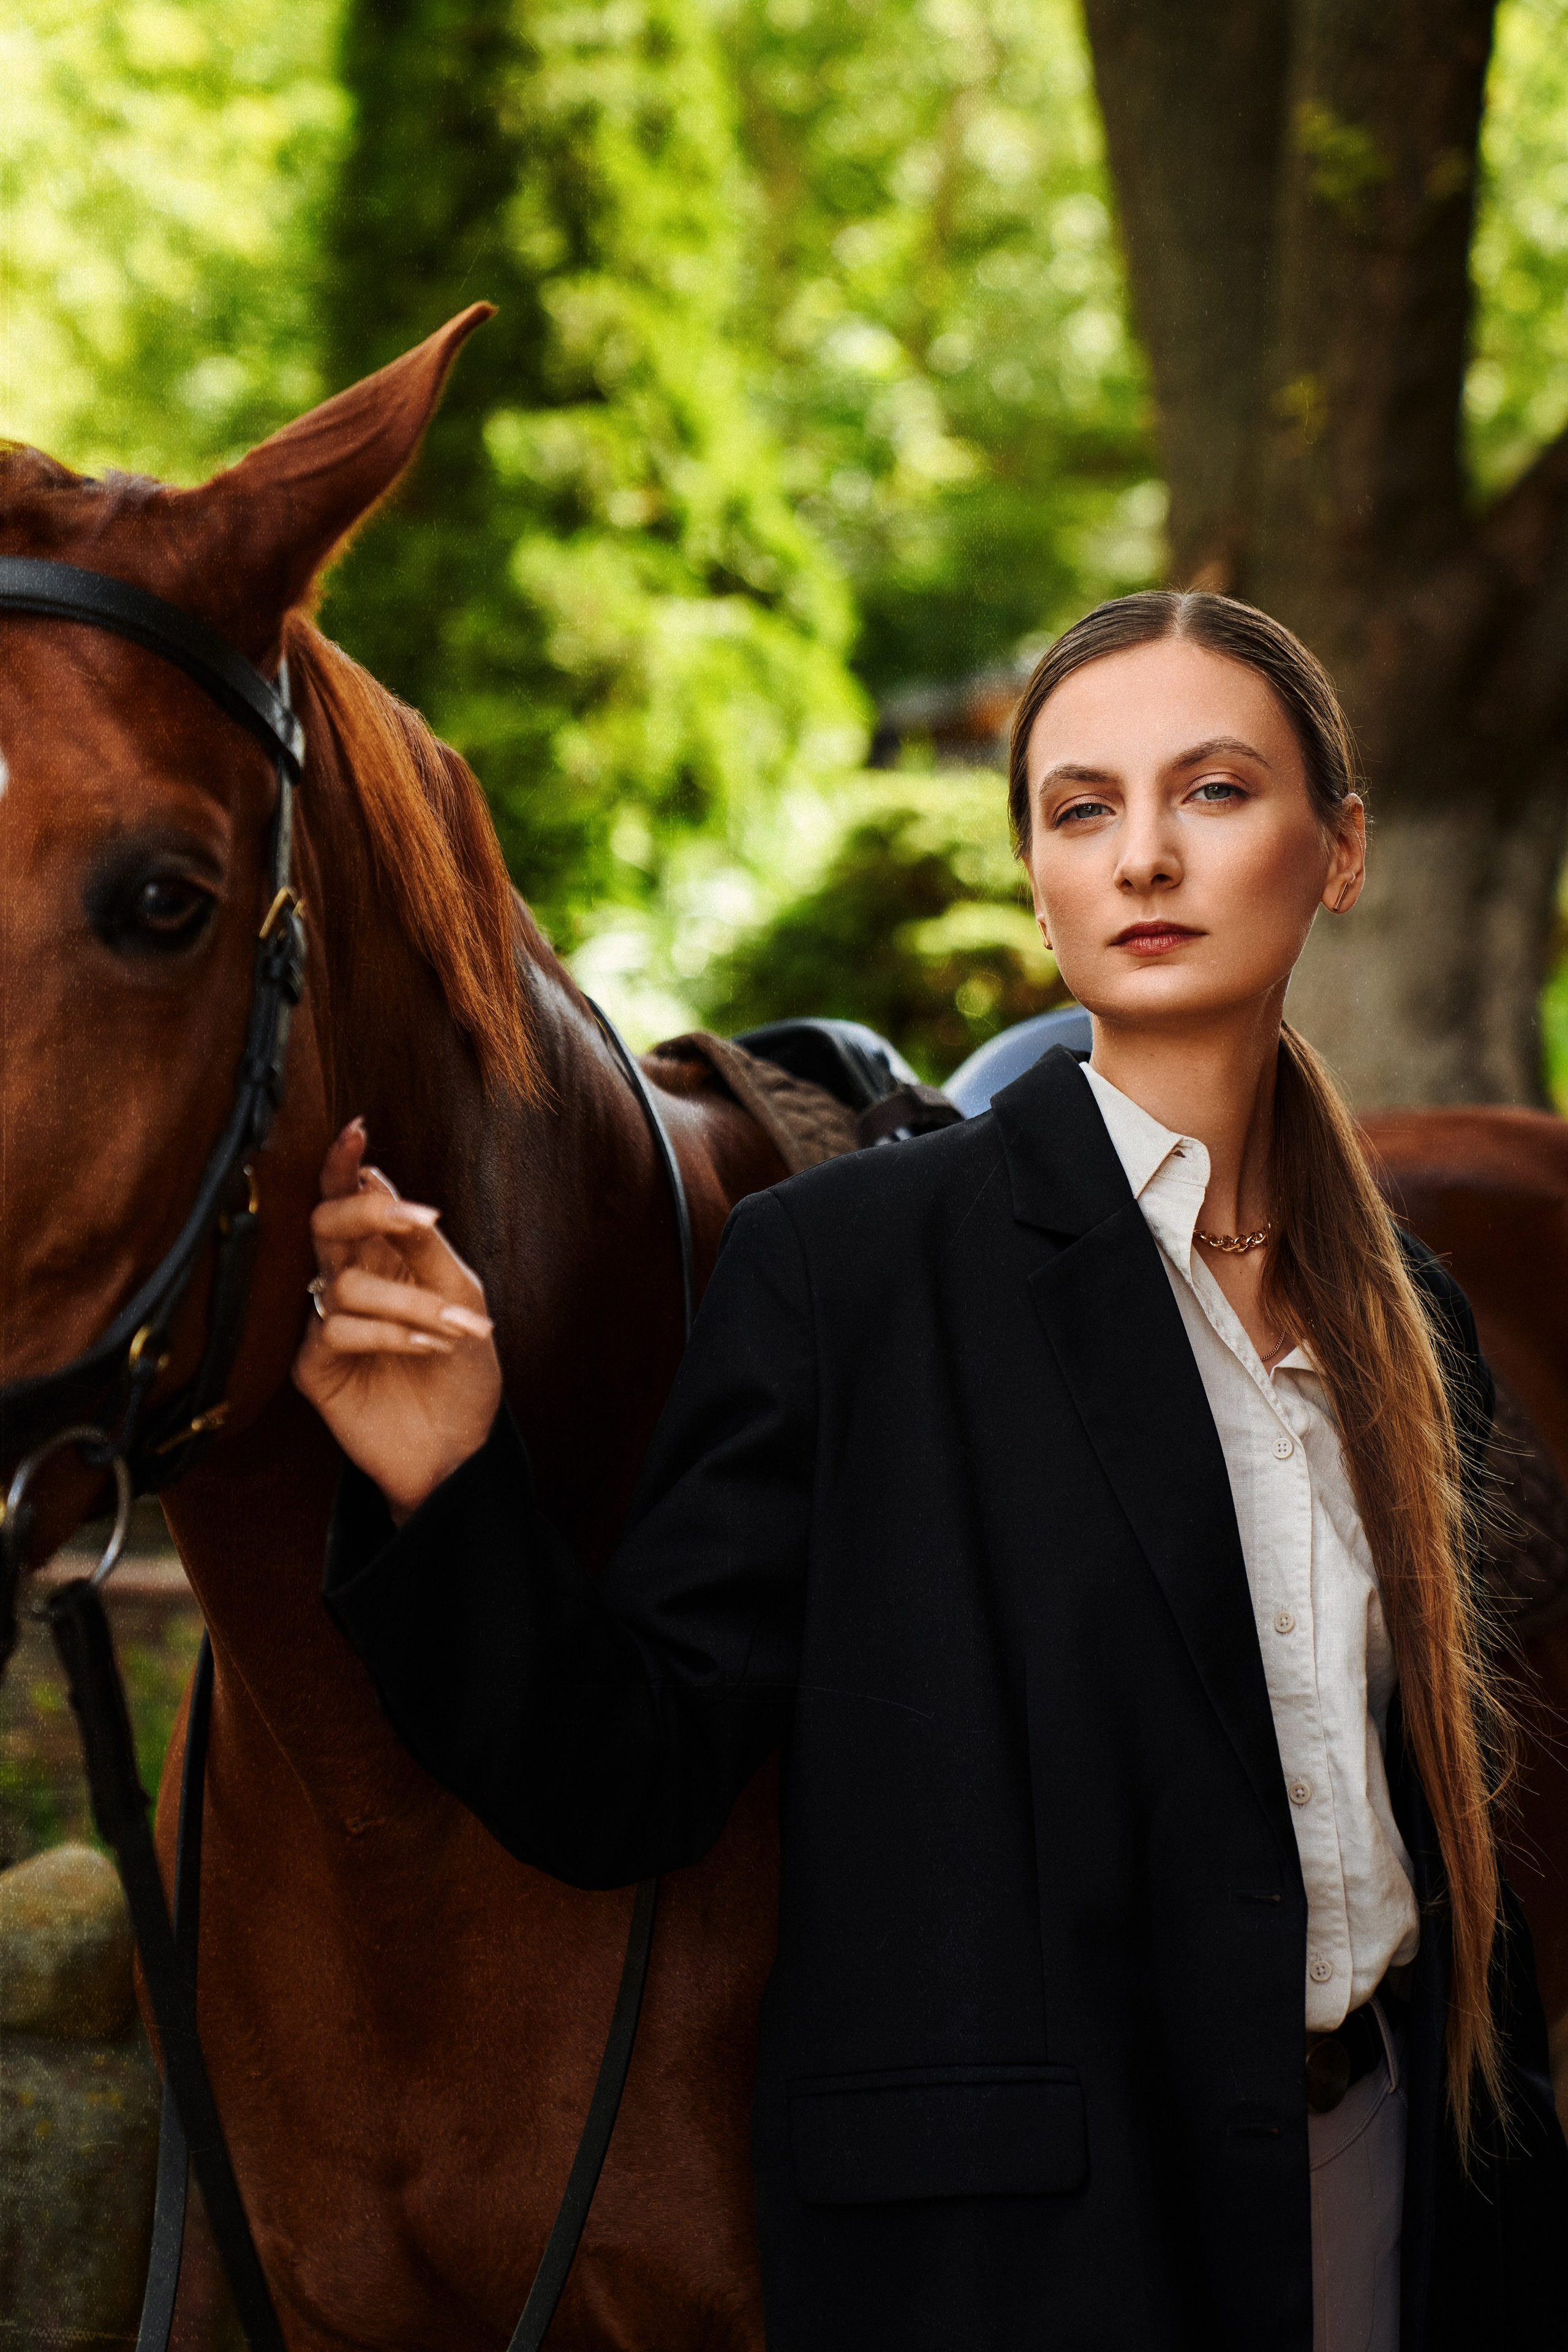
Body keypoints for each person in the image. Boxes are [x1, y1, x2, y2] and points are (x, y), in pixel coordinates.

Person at [297, 592, 1568, 2351]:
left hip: (1394, 2190)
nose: (1142, 859)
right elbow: (631, 1774)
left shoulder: (1413, 1322)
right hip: (1033, 2258)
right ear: (1039, 883)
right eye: (1080, 808)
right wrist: (449, 1486)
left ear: (1338, 850)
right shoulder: (849, 1273)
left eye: (1211, 792)